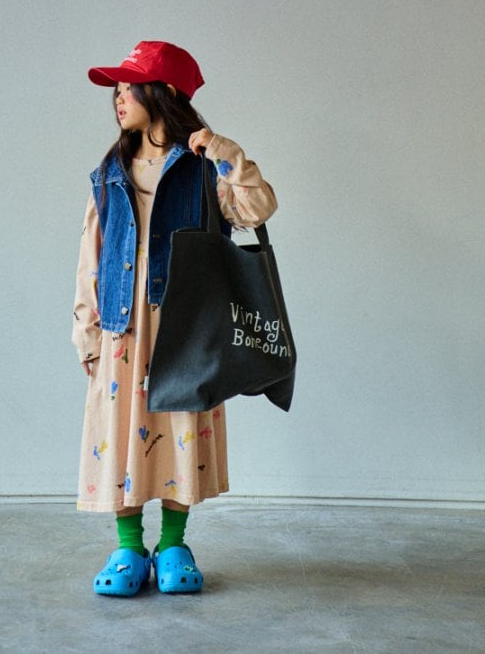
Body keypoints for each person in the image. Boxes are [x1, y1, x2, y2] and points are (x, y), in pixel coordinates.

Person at [72, 40, 277, 596]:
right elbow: (91, 255)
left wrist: (226, 151)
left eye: (128, 87)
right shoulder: (110, 171)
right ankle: (128, 546)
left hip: (186, 325)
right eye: (116, 90)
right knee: (122, 429)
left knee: (178, 428)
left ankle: (173, 544)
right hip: (123, 324)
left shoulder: (204, 169)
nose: (118, 98)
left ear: (163, 92)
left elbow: (259, 207)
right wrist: (86, 328)